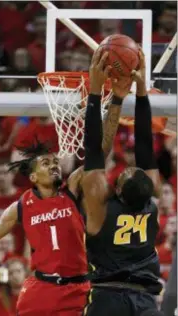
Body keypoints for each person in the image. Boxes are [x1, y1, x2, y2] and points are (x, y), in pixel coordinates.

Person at [0, 52, 128, 314]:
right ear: (33, 177)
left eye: (55, 161)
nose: (54, 164)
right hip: (40, 289)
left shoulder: (73, 189)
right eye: (46, 163)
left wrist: (115, 99)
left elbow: (100, 151)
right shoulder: (22, 206)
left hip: (77, 289)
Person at [81, 48, 162, 316]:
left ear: (116, 189)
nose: (130, 166)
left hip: (108, 297)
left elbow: (93, 149)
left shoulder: (100, 208)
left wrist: (95, 90)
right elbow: (145, 147)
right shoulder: (150, 203)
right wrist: (140, 92)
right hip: (144, 301)